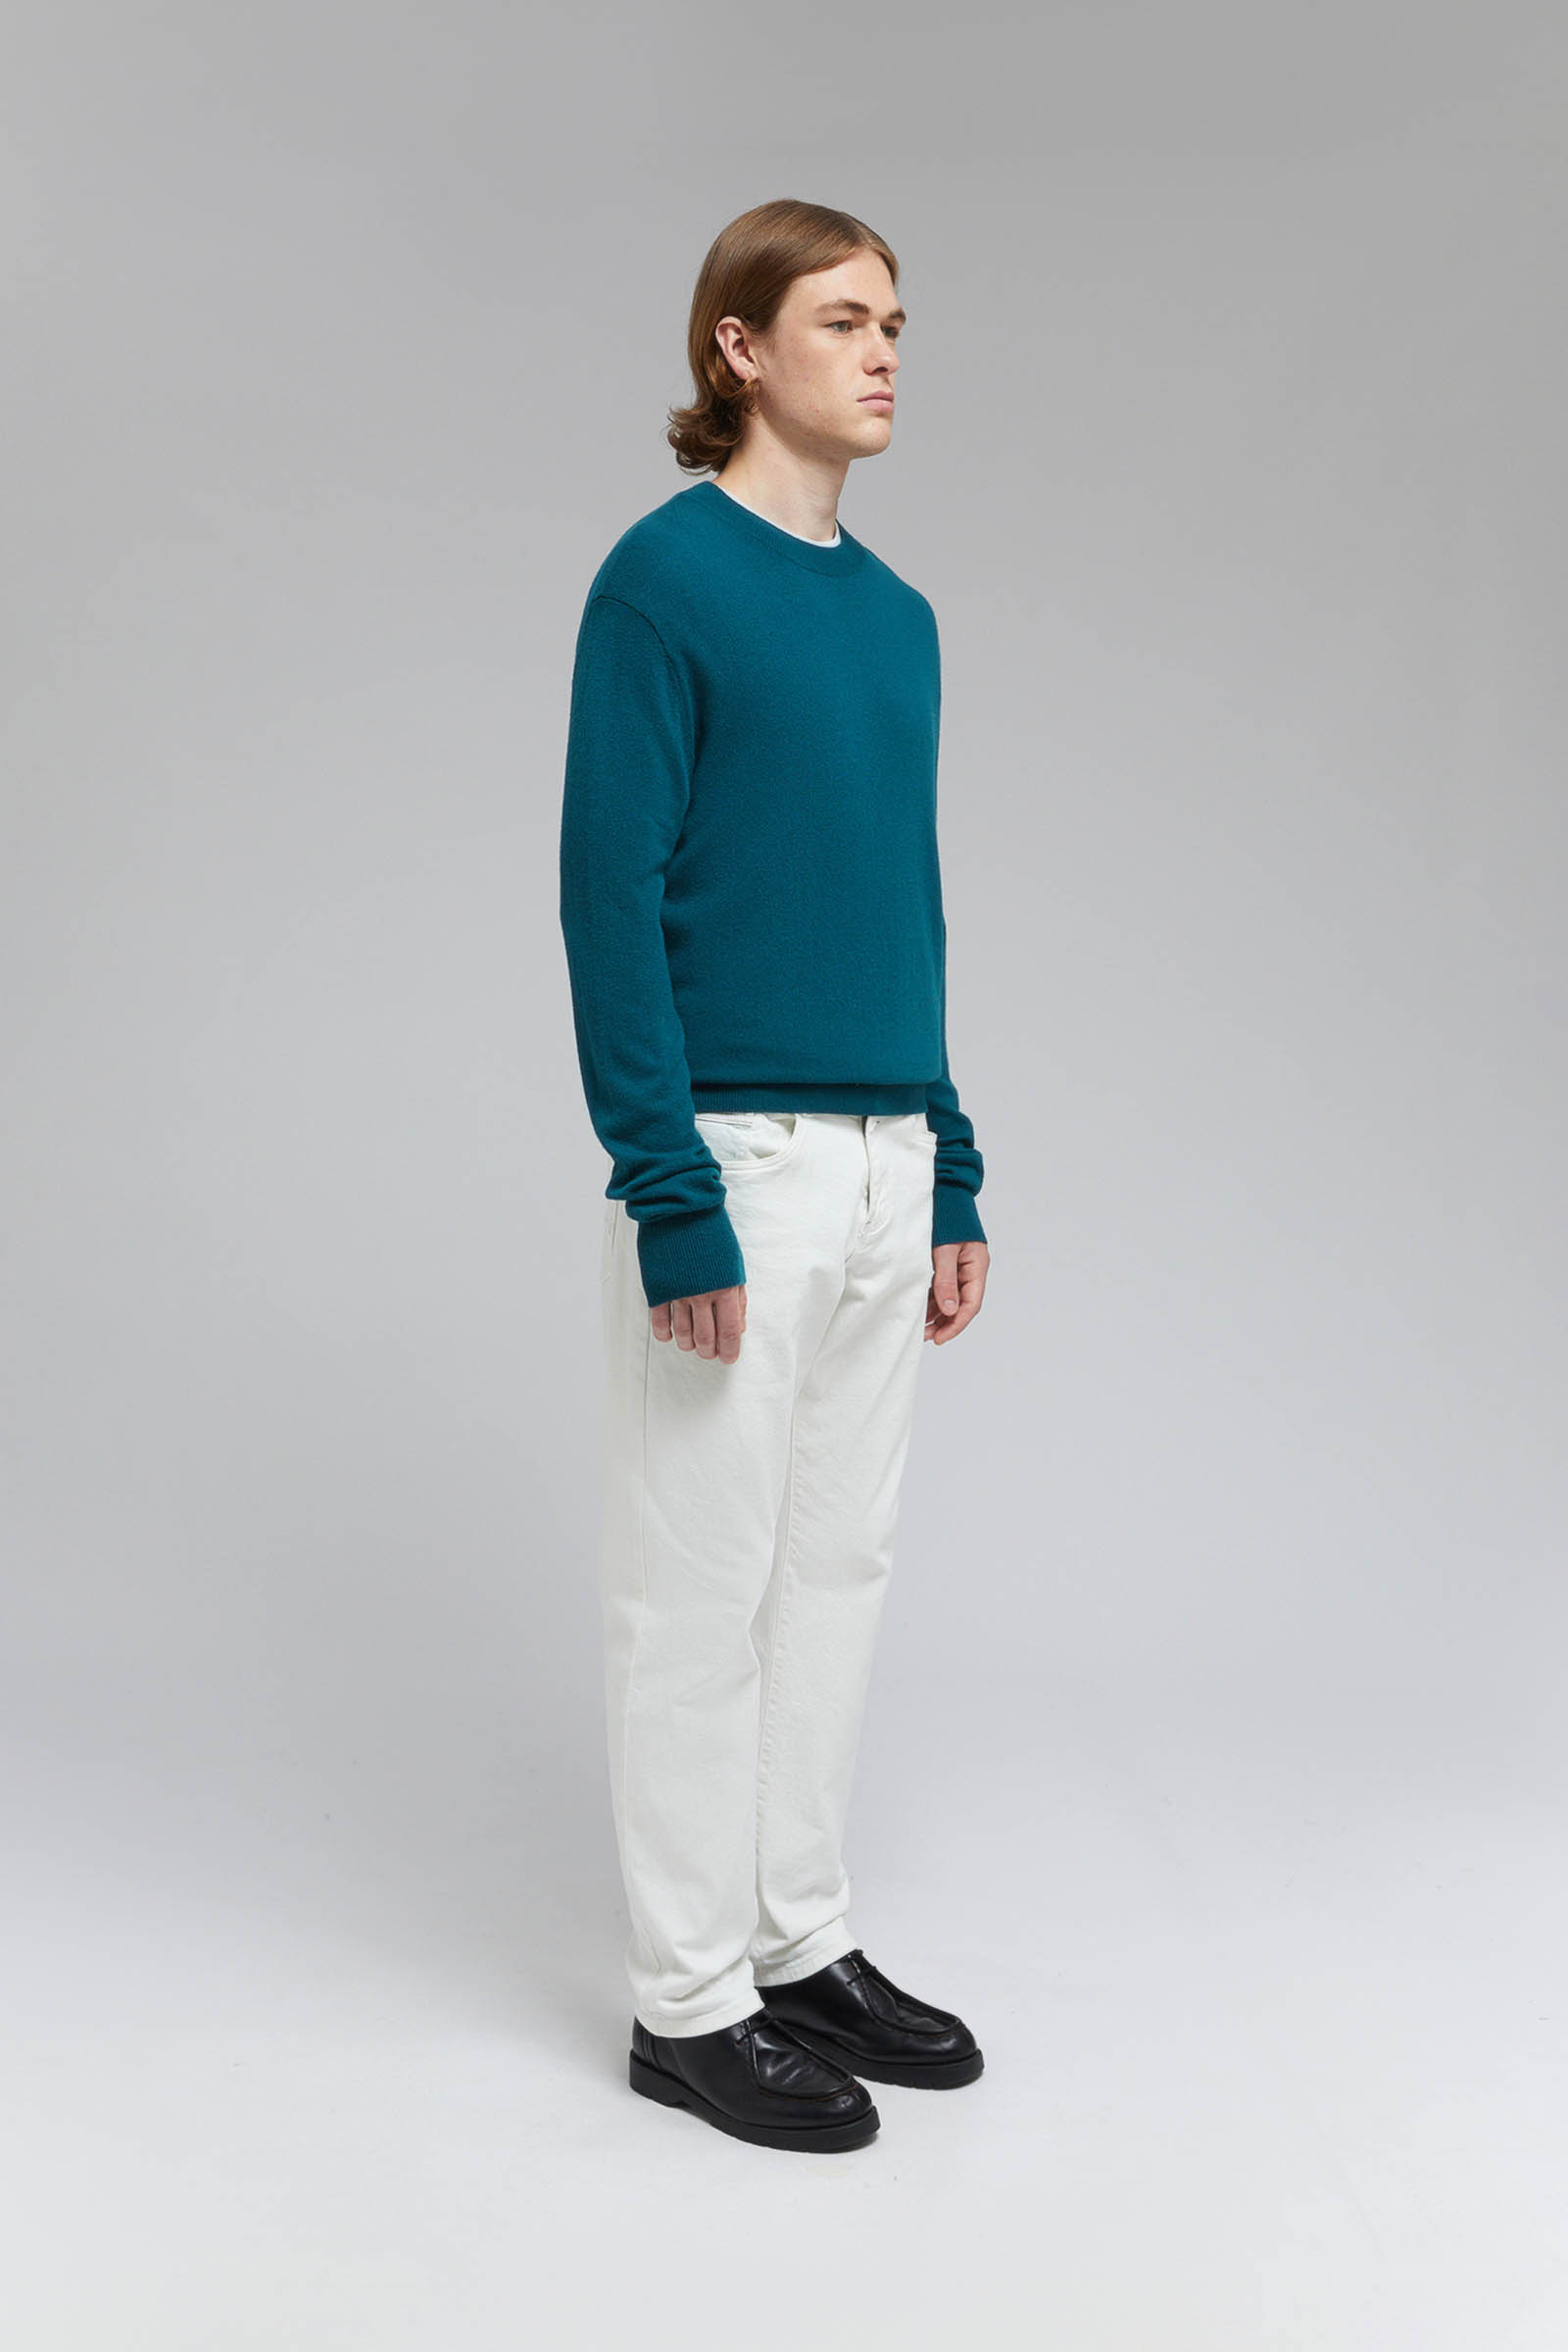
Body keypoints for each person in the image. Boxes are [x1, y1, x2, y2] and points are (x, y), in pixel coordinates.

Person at [558, 198, 990, 2152]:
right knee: (697, 1593)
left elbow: (902, 907)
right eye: (841, 319)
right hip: (733, 1160)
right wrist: (669, 1192)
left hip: (885, 1162)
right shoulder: (661, 585)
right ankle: (687, 2002)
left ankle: (799, 1942)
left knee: (834, 1574)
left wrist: (950, 1164)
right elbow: (608, 897)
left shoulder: (898, 618)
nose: (884, 351)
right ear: (737, 347)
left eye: (895, 320)